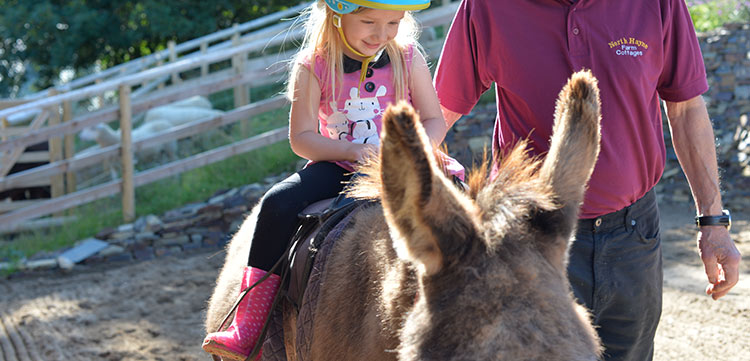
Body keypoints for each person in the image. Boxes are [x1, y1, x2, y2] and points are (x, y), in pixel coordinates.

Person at [433, 1, 741, 360]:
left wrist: (714, 223)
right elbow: (437, 111)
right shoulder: (488, 7)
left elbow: (687, 108)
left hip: (633, 237)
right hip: (531, 238)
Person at [202, 0, 463, 360]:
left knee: (467, 202)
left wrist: (413, 149)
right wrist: (357, 152)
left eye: (393, 23)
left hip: (404, 163)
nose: (382, 34)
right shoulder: (314, 66)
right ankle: (249, 322)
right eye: (369, 21)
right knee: (278, 203)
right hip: (340, 167)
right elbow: (302, 138)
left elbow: (434, 119)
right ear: (337, 15)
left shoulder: (408, 56)